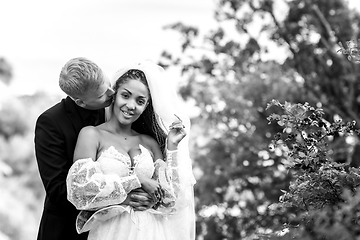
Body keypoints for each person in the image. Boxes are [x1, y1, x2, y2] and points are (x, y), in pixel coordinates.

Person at [66, 60, 196, 240]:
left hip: (153, 232)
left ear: (146, 105)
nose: (131, 105)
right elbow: (80, 192)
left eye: (140, 101)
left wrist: (172, 147)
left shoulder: (149, 143)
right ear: (114, 94)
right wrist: (137, 180)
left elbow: (171, 199)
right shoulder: (91, 135)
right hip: (110, 232)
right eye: (125, 96)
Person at [34, 57, 155, 240]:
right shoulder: (50, 123)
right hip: (67, 230)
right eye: (101, 95)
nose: (111, 93)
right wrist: (125, 196)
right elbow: (59, 192)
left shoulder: (116, 106)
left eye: (108, 84)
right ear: (81, 102)